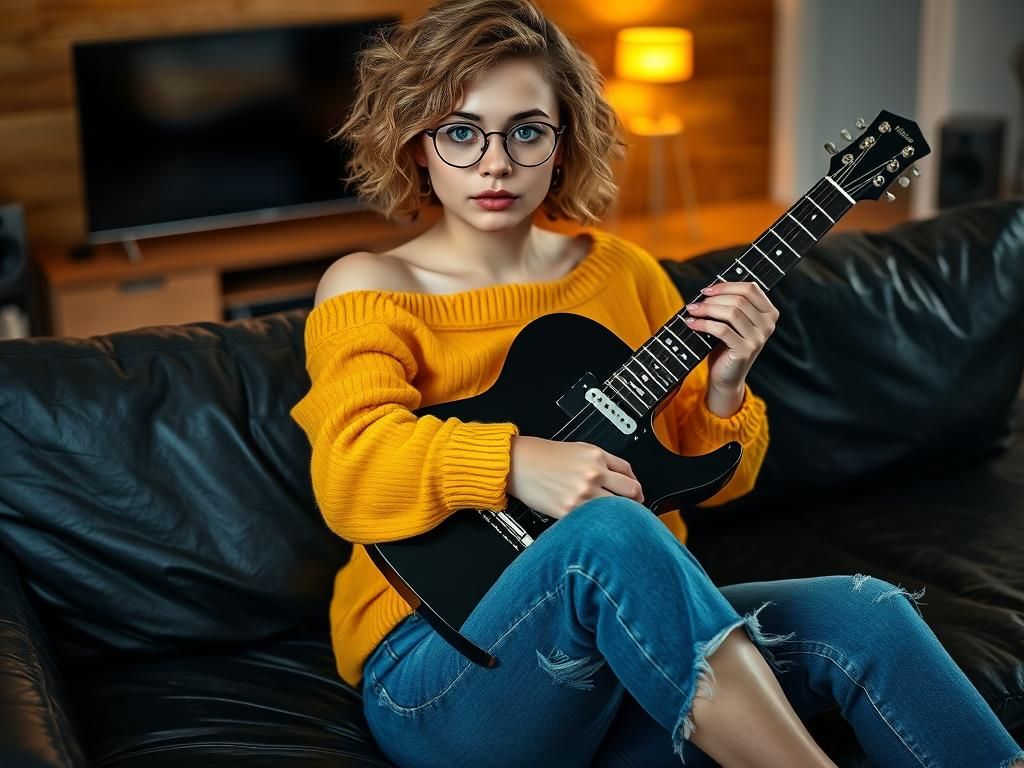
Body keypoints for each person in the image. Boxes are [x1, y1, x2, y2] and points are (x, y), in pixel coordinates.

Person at [289, 1, 1024, 766]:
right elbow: (348, 473)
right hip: (443, 668)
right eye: (462, 132)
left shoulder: (623, 273)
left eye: (528, 131)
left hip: (625, 660)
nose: (496, 163)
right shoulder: (369, 286)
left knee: (866, 614)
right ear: (417, 147)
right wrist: (517, 462)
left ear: (564, 143)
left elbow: (708, 482)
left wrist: (727, 386)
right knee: (609, 528)